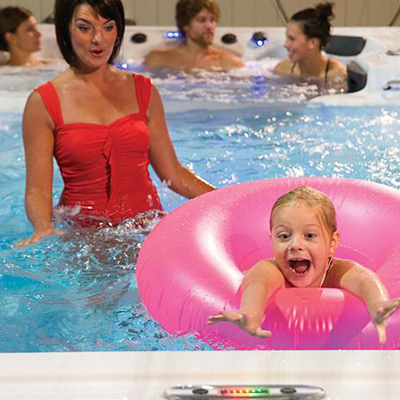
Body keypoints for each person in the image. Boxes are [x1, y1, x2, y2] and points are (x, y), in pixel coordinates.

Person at [20, 0, 215, 246]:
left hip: (145, 228)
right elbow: (37, 190)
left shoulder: (144, 90)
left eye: (108, 27)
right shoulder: (43, 102)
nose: (98, 39)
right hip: (82, 237)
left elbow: (173, 174)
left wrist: (225, 199)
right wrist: (44, 230)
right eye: (85, 28)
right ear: (65, 30)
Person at [208, 186, 400, 345]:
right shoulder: (271, 269)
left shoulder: (336, 271)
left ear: (332, 243)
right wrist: (251, 313)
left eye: (309, 235)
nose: (295, 245)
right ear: (272, 240)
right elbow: (257, 285)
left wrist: (377, 305)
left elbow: (365, 279)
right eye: (284, 236)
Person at [143, 0, 244, 71]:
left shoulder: (228, 62)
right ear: (185, 25)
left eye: (213, 20)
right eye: (202, 20)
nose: (210, 26)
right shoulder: (159, 58)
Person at [273, 2, 346, 81]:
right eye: (287, 38)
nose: (286, 45)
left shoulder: (336, 74)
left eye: (292, 39)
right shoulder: (282, 70)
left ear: (312, 43)